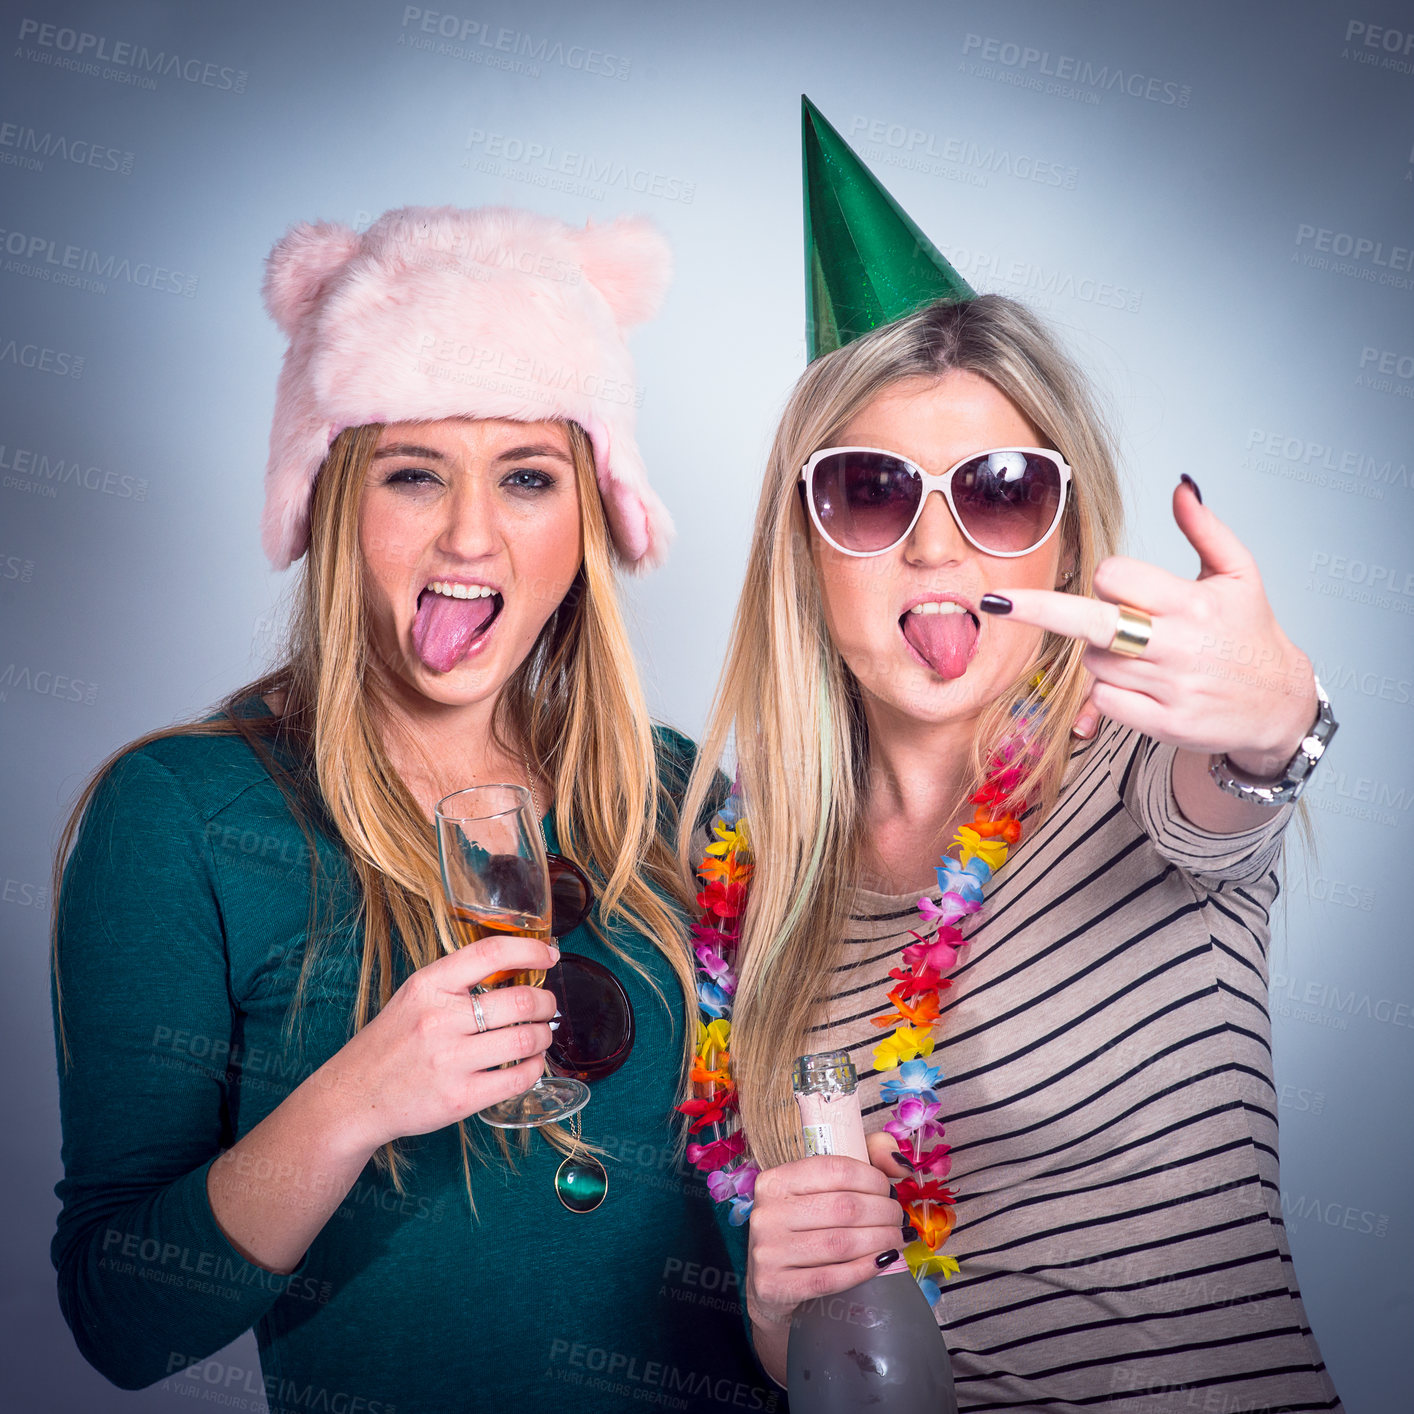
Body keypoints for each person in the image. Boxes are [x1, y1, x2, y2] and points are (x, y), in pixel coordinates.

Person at [51, 205, 773, 1413]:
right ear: (337, 501)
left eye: (529, 478)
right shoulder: (180, 812)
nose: (472, 534)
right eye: (413, 474)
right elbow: (121, 1320)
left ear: (590, 518)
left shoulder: (683, 797)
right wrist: (355, 1099)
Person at [679, 103, 1344, 1410]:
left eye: (994, 490)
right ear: (803, 552)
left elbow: (1245, 772)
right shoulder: (756, 899)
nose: (935, 548)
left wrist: (1280, 710)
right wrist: (776, 1296)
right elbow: (828, 1346)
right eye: (869, 492)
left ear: (1059, 529)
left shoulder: (1137, 772)